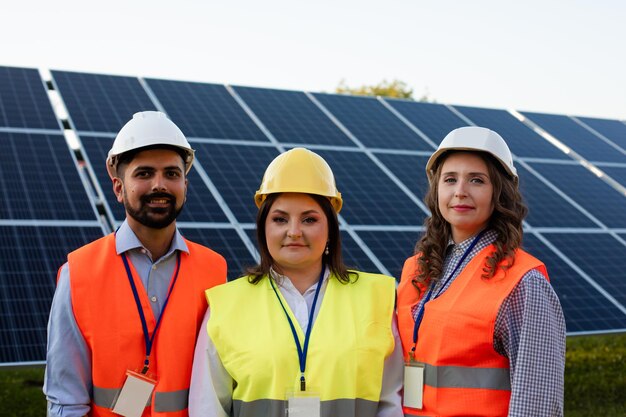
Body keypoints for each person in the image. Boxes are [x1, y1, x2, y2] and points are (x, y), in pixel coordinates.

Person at [188, 147, 403, 417]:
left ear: (330, 229)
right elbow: (207, 408)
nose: (294, 231)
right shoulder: (225, 306)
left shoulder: (376, 299)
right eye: (280, 219)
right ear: (264, 226)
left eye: (309, 219)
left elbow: (391, 404)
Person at [44, 111, 227, 417]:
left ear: (185, 184)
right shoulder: (79, 272)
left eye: (171, 173)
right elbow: (66, 399)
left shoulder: (215, 271)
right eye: (144, 174)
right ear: (118, 187)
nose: (160, 185)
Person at [397, 126, 566, 416]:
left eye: (477, 180)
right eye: (450, 179)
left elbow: (537, 405)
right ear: (437, 189)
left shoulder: (524, 282)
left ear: (499, 192)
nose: (460, 191)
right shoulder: (416, 270)